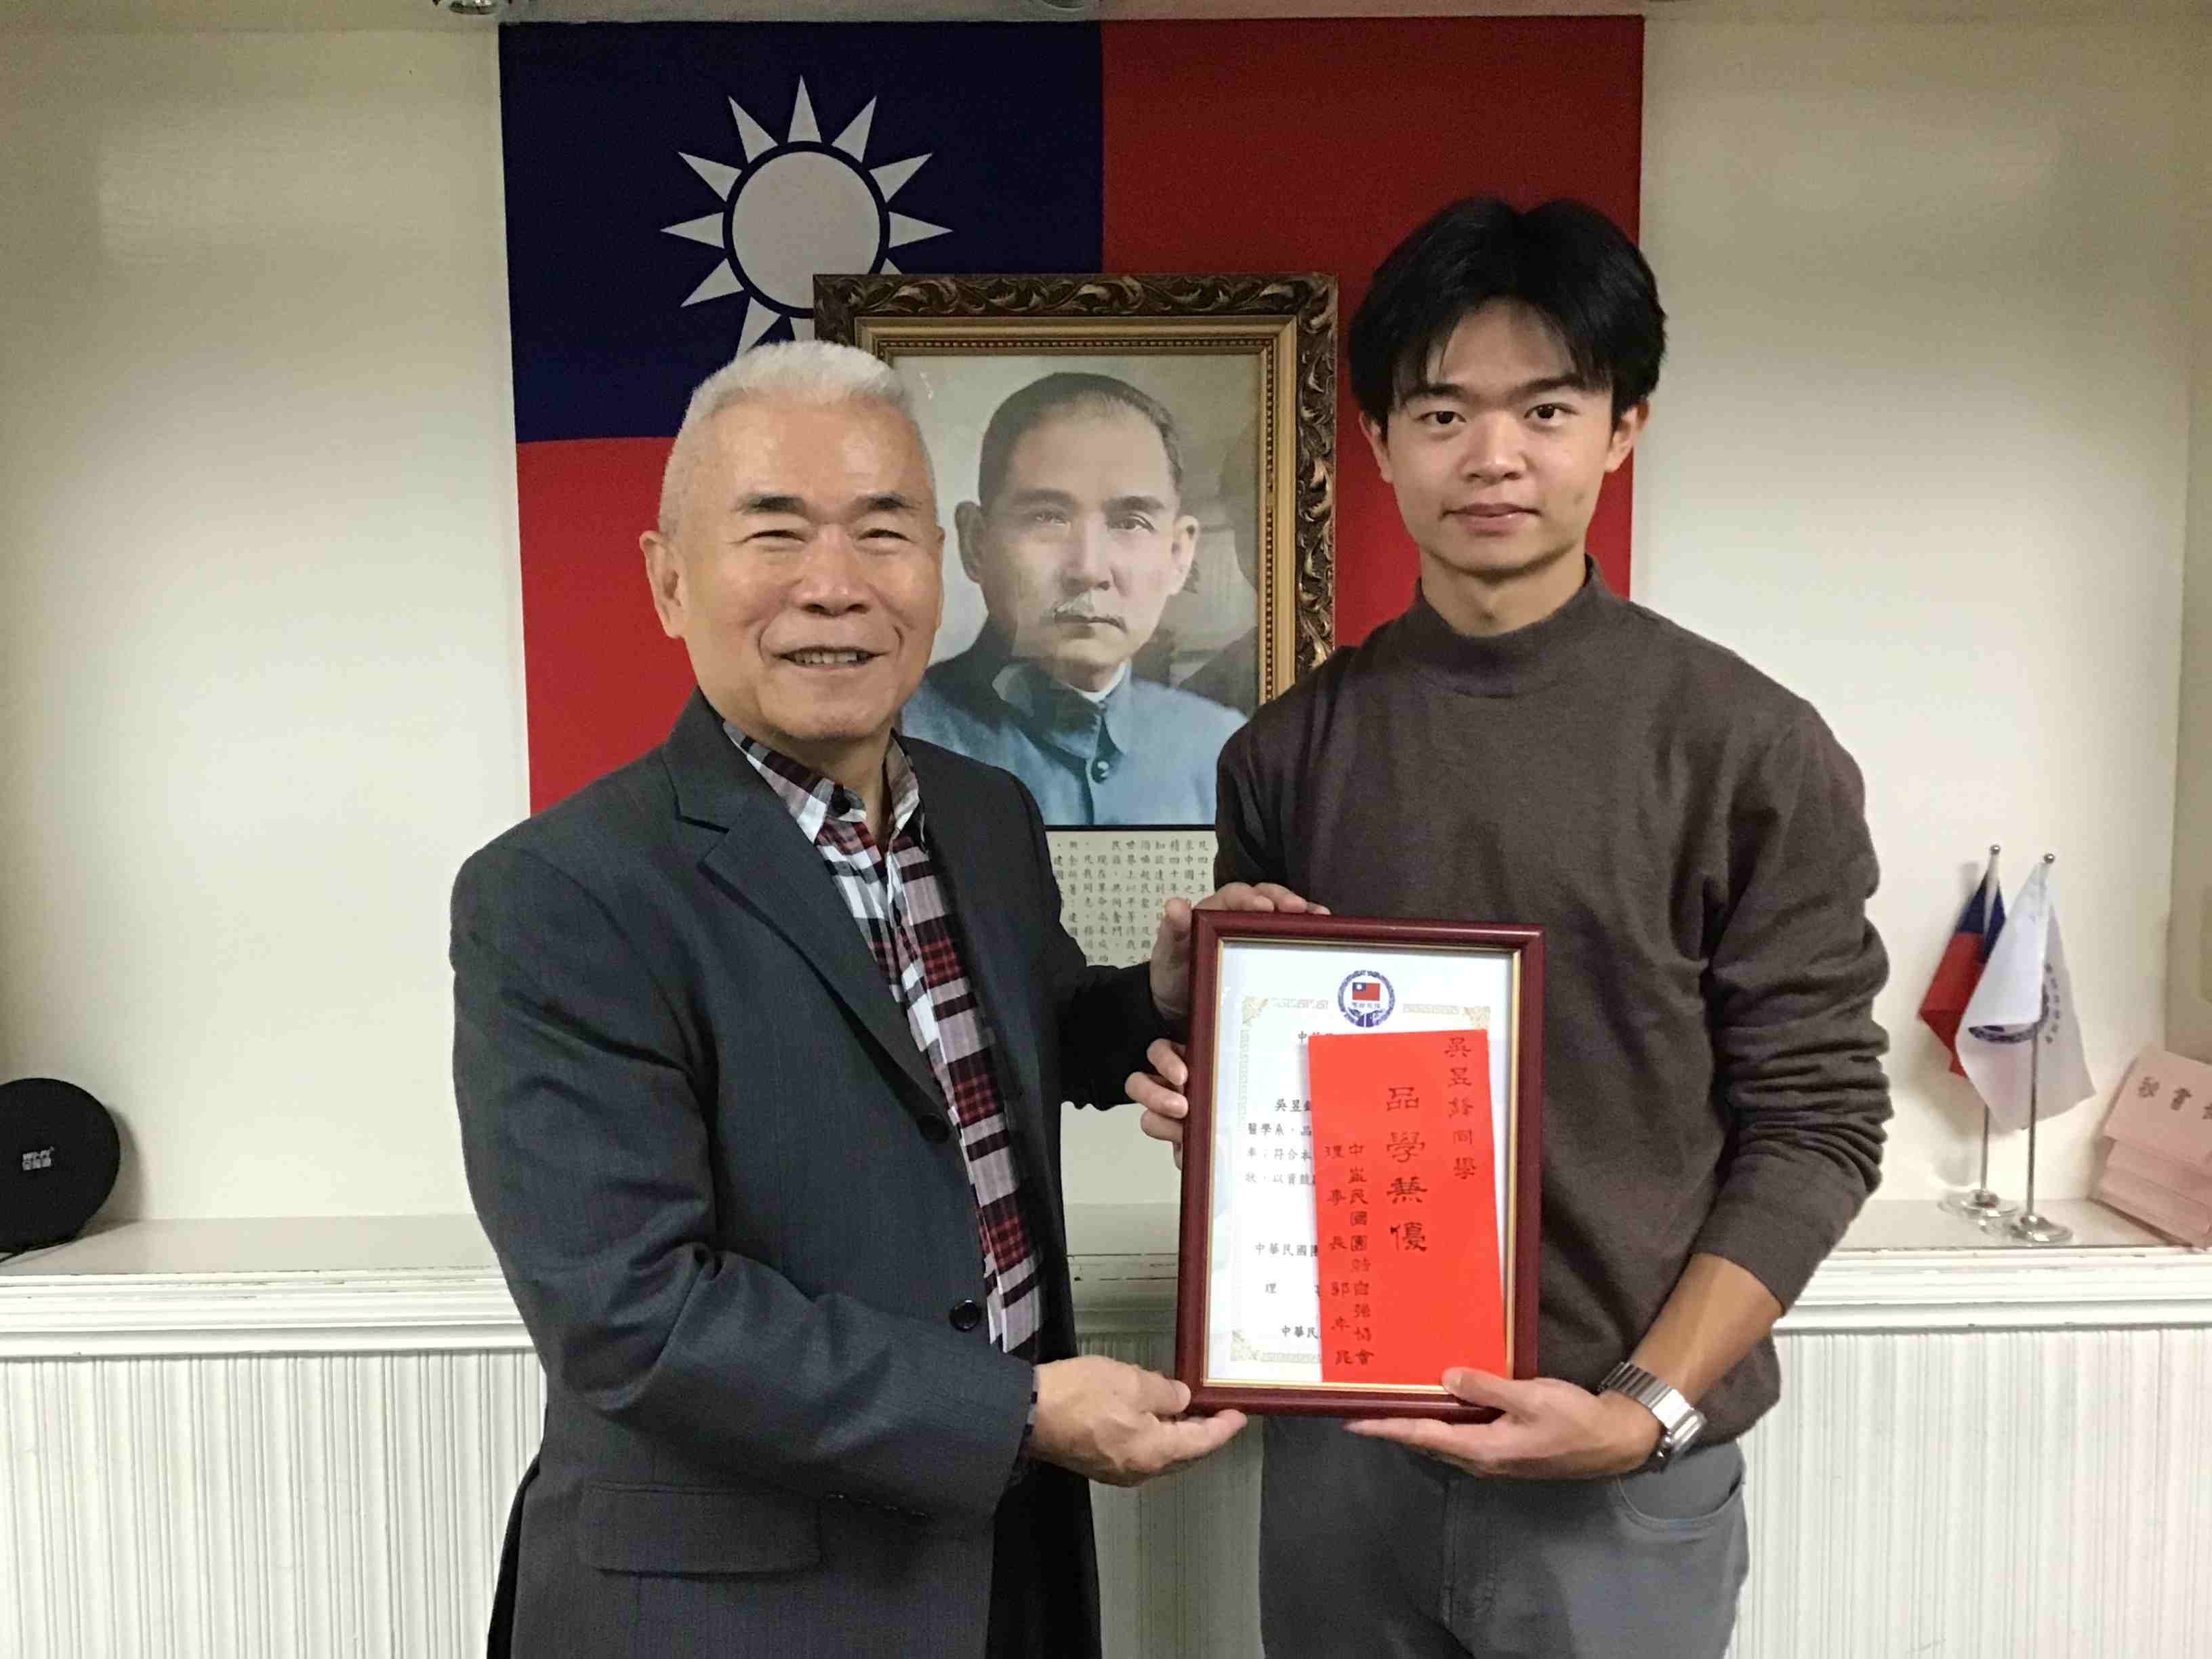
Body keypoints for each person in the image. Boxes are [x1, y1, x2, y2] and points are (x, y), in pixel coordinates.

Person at [451, 342, 1306, 1658]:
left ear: (942, 569)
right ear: (669, 580)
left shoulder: (983, 813)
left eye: (880, 529)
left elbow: (1008, 1038)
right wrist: (1016, 1411)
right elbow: (633, 1316)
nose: (834, 583)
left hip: (1001, 1558)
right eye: (775, 531)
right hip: (733, 1605)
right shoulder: (561, 892)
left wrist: (1160, 998)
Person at [1130, 198, 1891, 1658]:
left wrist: (1643, 1408)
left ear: (1622, 427)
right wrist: (1214, 1090)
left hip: (1618, 1468)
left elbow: (1819, 1123)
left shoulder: (1746, 747)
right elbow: (1288, 1113)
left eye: (1546, 408)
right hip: (1343, 1456)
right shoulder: (1285, 752)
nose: (1492, 456)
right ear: (1377, 441)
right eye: (1442, 412)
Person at [901, 372, 1243, 825]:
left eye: (1131, 523)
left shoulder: (1220, 749)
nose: (1089, 570)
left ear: (1179, 555)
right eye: (1047, 517)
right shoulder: (894, 739)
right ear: (976, 543)